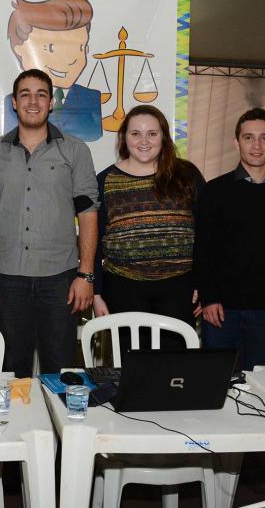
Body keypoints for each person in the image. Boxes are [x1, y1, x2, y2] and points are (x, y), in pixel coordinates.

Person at [0, 69, 99, 378]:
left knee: (61, 371)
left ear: (51, 103)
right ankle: (15, 425)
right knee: (10, 371)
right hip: (8, 279)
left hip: (60, 279)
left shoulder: (75, 151)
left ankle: (59, 427)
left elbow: (88, 214)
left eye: (41, 94)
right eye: (25, 94)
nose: (33, 101)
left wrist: (85, 274)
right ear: (14, 103)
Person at [194, 108, 265, 370]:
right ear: (237, 142)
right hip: (221, 308)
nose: (256, 145)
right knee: (217, 380)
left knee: (261, 383)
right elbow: (203, 248)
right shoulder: (215, 190)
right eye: (248, 137)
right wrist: (209, 298)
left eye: (264, 138)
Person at [93, 105, 203, 350]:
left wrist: (202, 283)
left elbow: (205, 234)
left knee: (174, 371)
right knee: (132, 370)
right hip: (122, 288)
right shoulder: (105, 181)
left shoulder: (187, 175)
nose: (144, 141)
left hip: (178, 288)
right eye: (136, 134)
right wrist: (96, 292)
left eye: (152, 133)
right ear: (124, 138)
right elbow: (94, 241)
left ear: (163, 136)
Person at [2, 0, 103, 141]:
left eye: (80, 48)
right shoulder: (10, 104)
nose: (70, 60)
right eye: (51, 48)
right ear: (20, 48)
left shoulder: (92, 99)